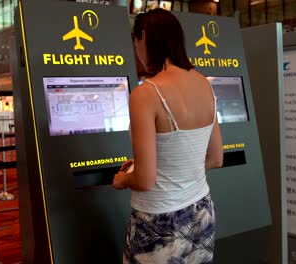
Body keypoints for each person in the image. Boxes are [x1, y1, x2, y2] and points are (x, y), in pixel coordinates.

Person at [113, 9, 223, 264]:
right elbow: (216, 158)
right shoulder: (204, 84)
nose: (137, 50)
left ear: (143, 37)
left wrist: (123, 179)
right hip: (201, 212)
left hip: (159, 220)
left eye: (136, 42)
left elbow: (145, 180)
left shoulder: (146, 94)